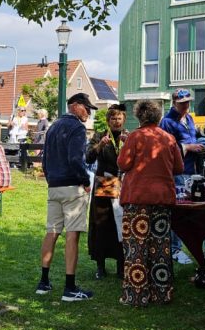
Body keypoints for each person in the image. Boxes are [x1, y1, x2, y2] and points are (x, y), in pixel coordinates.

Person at [117, 99, 183, 307]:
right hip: (162, 199)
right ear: (158, 116)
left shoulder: (135, 137)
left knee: (136, 247)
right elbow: (179, 168)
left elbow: (123, 163)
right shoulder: (169, 138)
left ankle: (136, 296)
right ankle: (162, 293)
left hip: (137, 199)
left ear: (138, 116)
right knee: (161, 247)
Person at [36, 92, 96, 301]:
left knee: (52, 232)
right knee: (73, 233)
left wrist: (51, 180)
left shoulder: (52, 127)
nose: (89, 112)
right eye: (86, 108)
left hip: (54, 186)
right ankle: (70, 288)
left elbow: (44, 160)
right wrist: (86, 181)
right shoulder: (77, 127)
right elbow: (75, 159)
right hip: (72, 187)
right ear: (75, 106)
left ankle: (43, 282)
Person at [160, 89, 205, 265]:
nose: (186, 105)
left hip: (193, 169)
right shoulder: (167, 121)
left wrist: (202, 143)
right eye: (182, 103)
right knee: (178, 211)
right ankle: (175, 249)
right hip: (177, 172)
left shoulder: (189, 118)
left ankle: (199, 246)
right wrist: (187, 147)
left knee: (194, 210)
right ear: (174, 103)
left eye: (188, 102)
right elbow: (165, 148)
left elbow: (193, 137)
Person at [86, 104, 128, 280]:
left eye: (119, 118)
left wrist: (128, 145)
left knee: (121, 224)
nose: (116, 122)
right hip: (105, 182)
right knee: (102, 223)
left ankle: (121, 266)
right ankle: (100, 266)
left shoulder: (129, 136)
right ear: (108, 120)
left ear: (123, 120)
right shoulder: (100, 136)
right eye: (113, 119)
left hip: (123, 183)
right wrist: (99, 147)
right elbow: (88, 157)